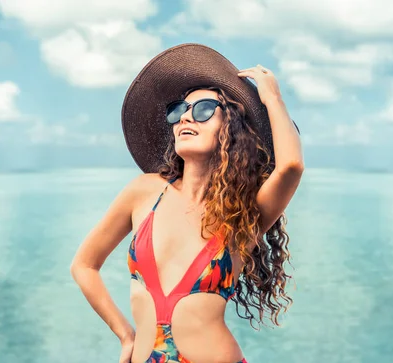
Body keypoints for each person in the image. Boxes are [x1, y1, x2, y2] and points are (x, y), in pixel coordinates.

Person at [70, 43, 304, 363]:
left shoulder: (244, 213)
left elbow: (291, 166)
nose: (185, 118)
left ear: (230, 126)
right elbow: (84, 266)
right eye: (179, 110)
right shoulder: (145, 192)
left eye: (204, 109)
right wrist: (125, 335)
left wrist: (272, 98)